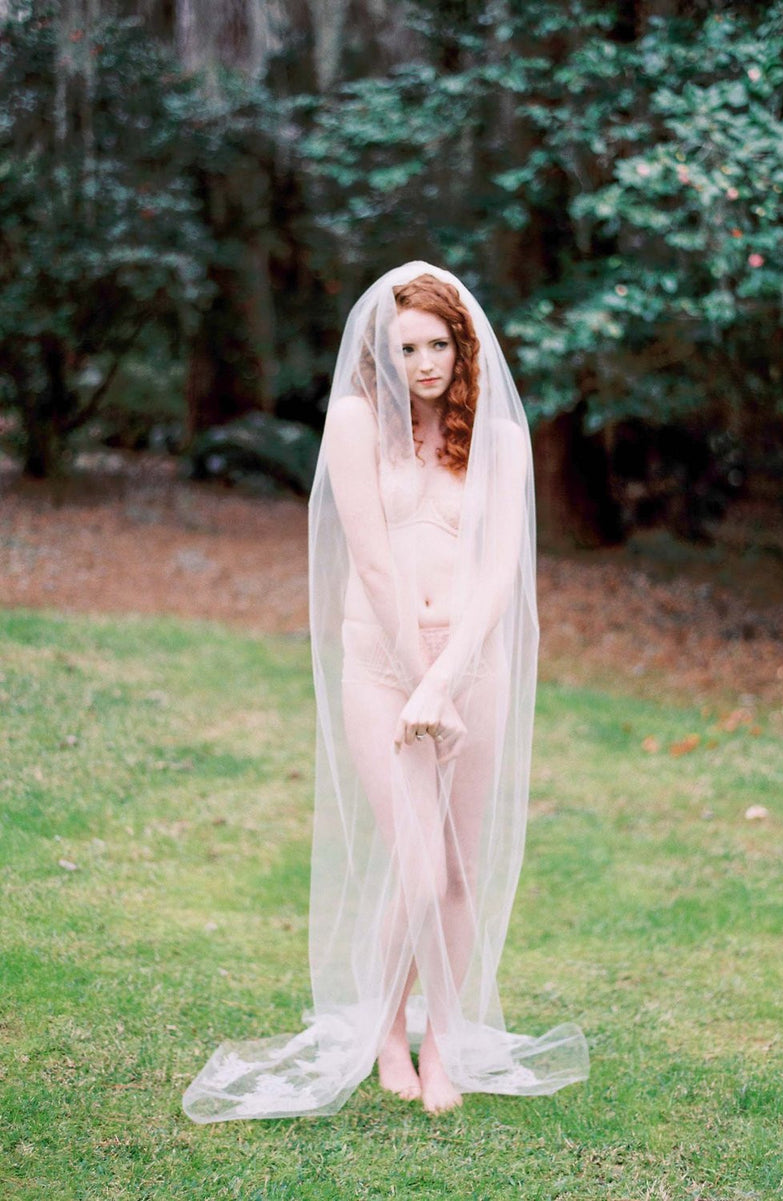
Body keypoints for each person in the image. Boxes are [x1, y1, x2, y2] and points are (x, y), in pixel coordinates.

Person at [182, 262, 588, 1122]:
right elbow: (369, 563)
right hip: (379, 666)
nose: (425, 361)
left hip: (473, 667)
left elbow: (500, 570)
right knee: (418, 860)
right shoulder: (356, 424)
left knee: (459, 873)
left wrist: (447, 679)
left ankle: (443, 1038)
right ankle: (382, 1031)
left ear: (462, 346)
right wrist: (415, 679)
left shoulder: (500, 440)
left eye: (439, 344)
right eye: (407, 347)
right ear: (383, 350)